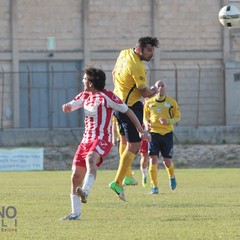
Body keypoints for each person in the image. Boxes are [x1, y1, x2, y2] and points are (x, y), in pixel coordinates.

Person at [60, 66, 150, 220]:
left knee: (90, 159)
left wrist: (141, 130)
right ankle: (76, 214)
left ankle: (86, 191)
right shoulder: (85, 95)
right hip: (85, 140)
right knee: (75, 176)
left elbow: (128, 111)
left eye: (84, 79)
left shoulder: (108, 96)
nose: (82, 80)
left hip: (102, 139)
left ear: (90, 83)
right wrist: (67, 107)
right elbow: (71, 105)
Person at [109, 36, 160, 201]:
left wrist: (119, 90)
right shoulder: (137, 66)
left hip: (117, 102)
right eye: (149, 50)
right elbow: (145, 92)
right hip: (128, 107)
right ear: (140, 50)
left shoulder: (124, 53)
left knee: (125, 141)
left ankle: (128, 175)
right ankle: (117, 182)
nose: (152, 54)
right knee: (135, 145)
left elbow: (113, 72)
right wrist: (155, 90)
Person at [143, 80, 181, 194]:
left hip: (167, 134)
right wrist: (146, 124)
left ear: (166, 88)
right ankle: (154, 187)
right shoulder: (149, 103)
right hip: (153, 134)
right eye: (158, 85)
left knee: (167, 162)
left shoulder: (171, 102)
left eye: (162, 85)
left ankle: (172, 176)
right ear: (155, 88)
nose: (160, 87)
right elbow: (145, 118)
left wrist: (168, 121)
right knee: (153, 159)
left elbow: (177, 117)